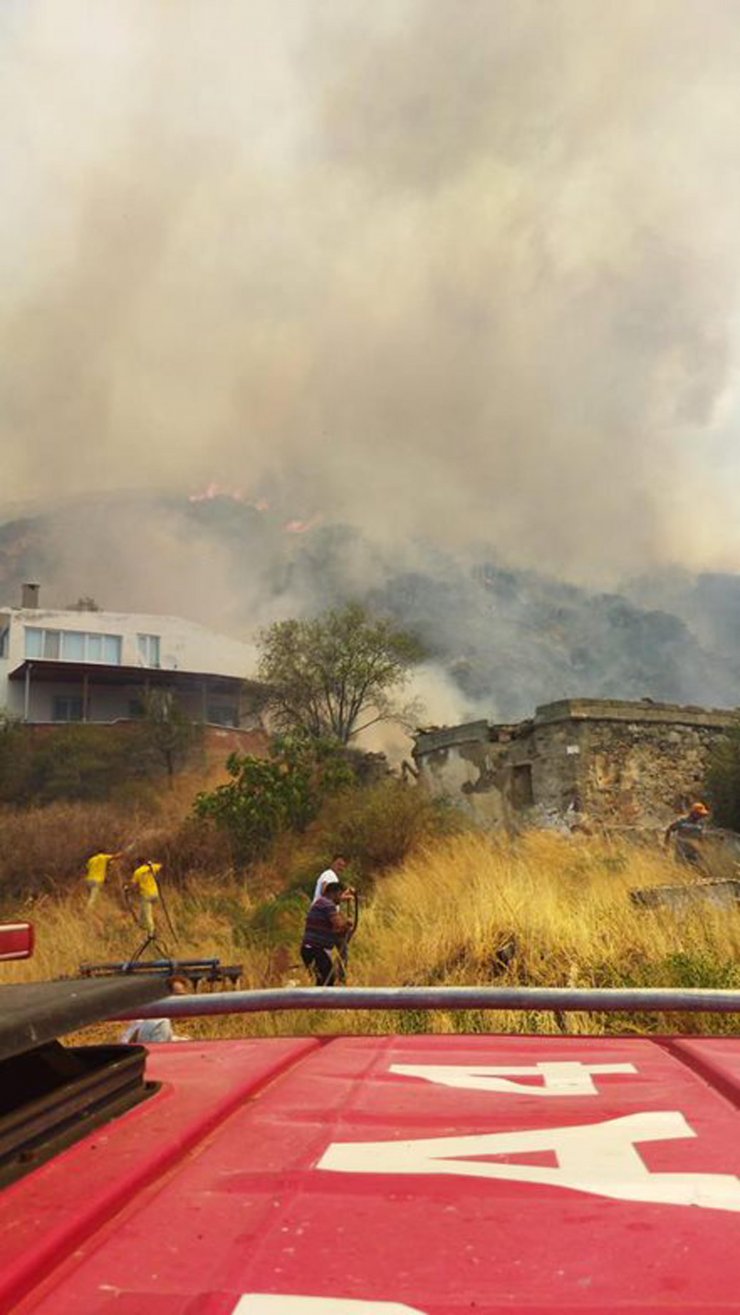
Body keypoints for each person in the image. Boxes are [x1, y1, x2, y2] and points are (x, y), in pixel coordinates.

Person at [300, 879, 351, 986]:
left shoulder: (321, 903)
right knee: (327, 981)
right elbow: (338, 926)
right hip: (315, 949)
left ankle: (317, 1002)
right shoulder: (328, 905)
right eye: (340, 894)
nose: (341, 898)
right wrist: (347, 924)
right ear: (334, 893)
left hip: (310, 949)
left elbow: (336, 928)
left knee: (322, 980)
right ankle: (320, 1002)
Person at [120, 973, 191, 1044]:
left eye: (184, 997)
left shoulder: (162, 1021)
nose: (182, 1001)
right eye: (177, 996)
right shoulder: (158, 1022)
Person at [664, 801, 710, 866]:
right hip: (682, 853)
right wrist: (666, 845)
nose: (701, 816)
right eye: (699, 814)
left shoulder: (700, 824)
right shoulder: (682, 821)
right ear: (694, 813)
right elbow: (669, 830)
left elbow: (700, 837)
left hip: (694, 854)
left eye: (702, 815)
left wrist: (703, 849)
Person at [129, 858, 163, 935]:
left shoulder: (137, 872)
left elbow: (133, 884)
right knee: (143, 910)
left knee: (147, 915)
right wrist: (151, 864)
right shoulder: (152, 867)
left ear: (137, 863)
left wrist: (127, 888)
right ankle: (141, 925)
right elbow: (161, 866)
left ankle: (151, 932)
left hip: (146, 895)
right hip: (155, 894)